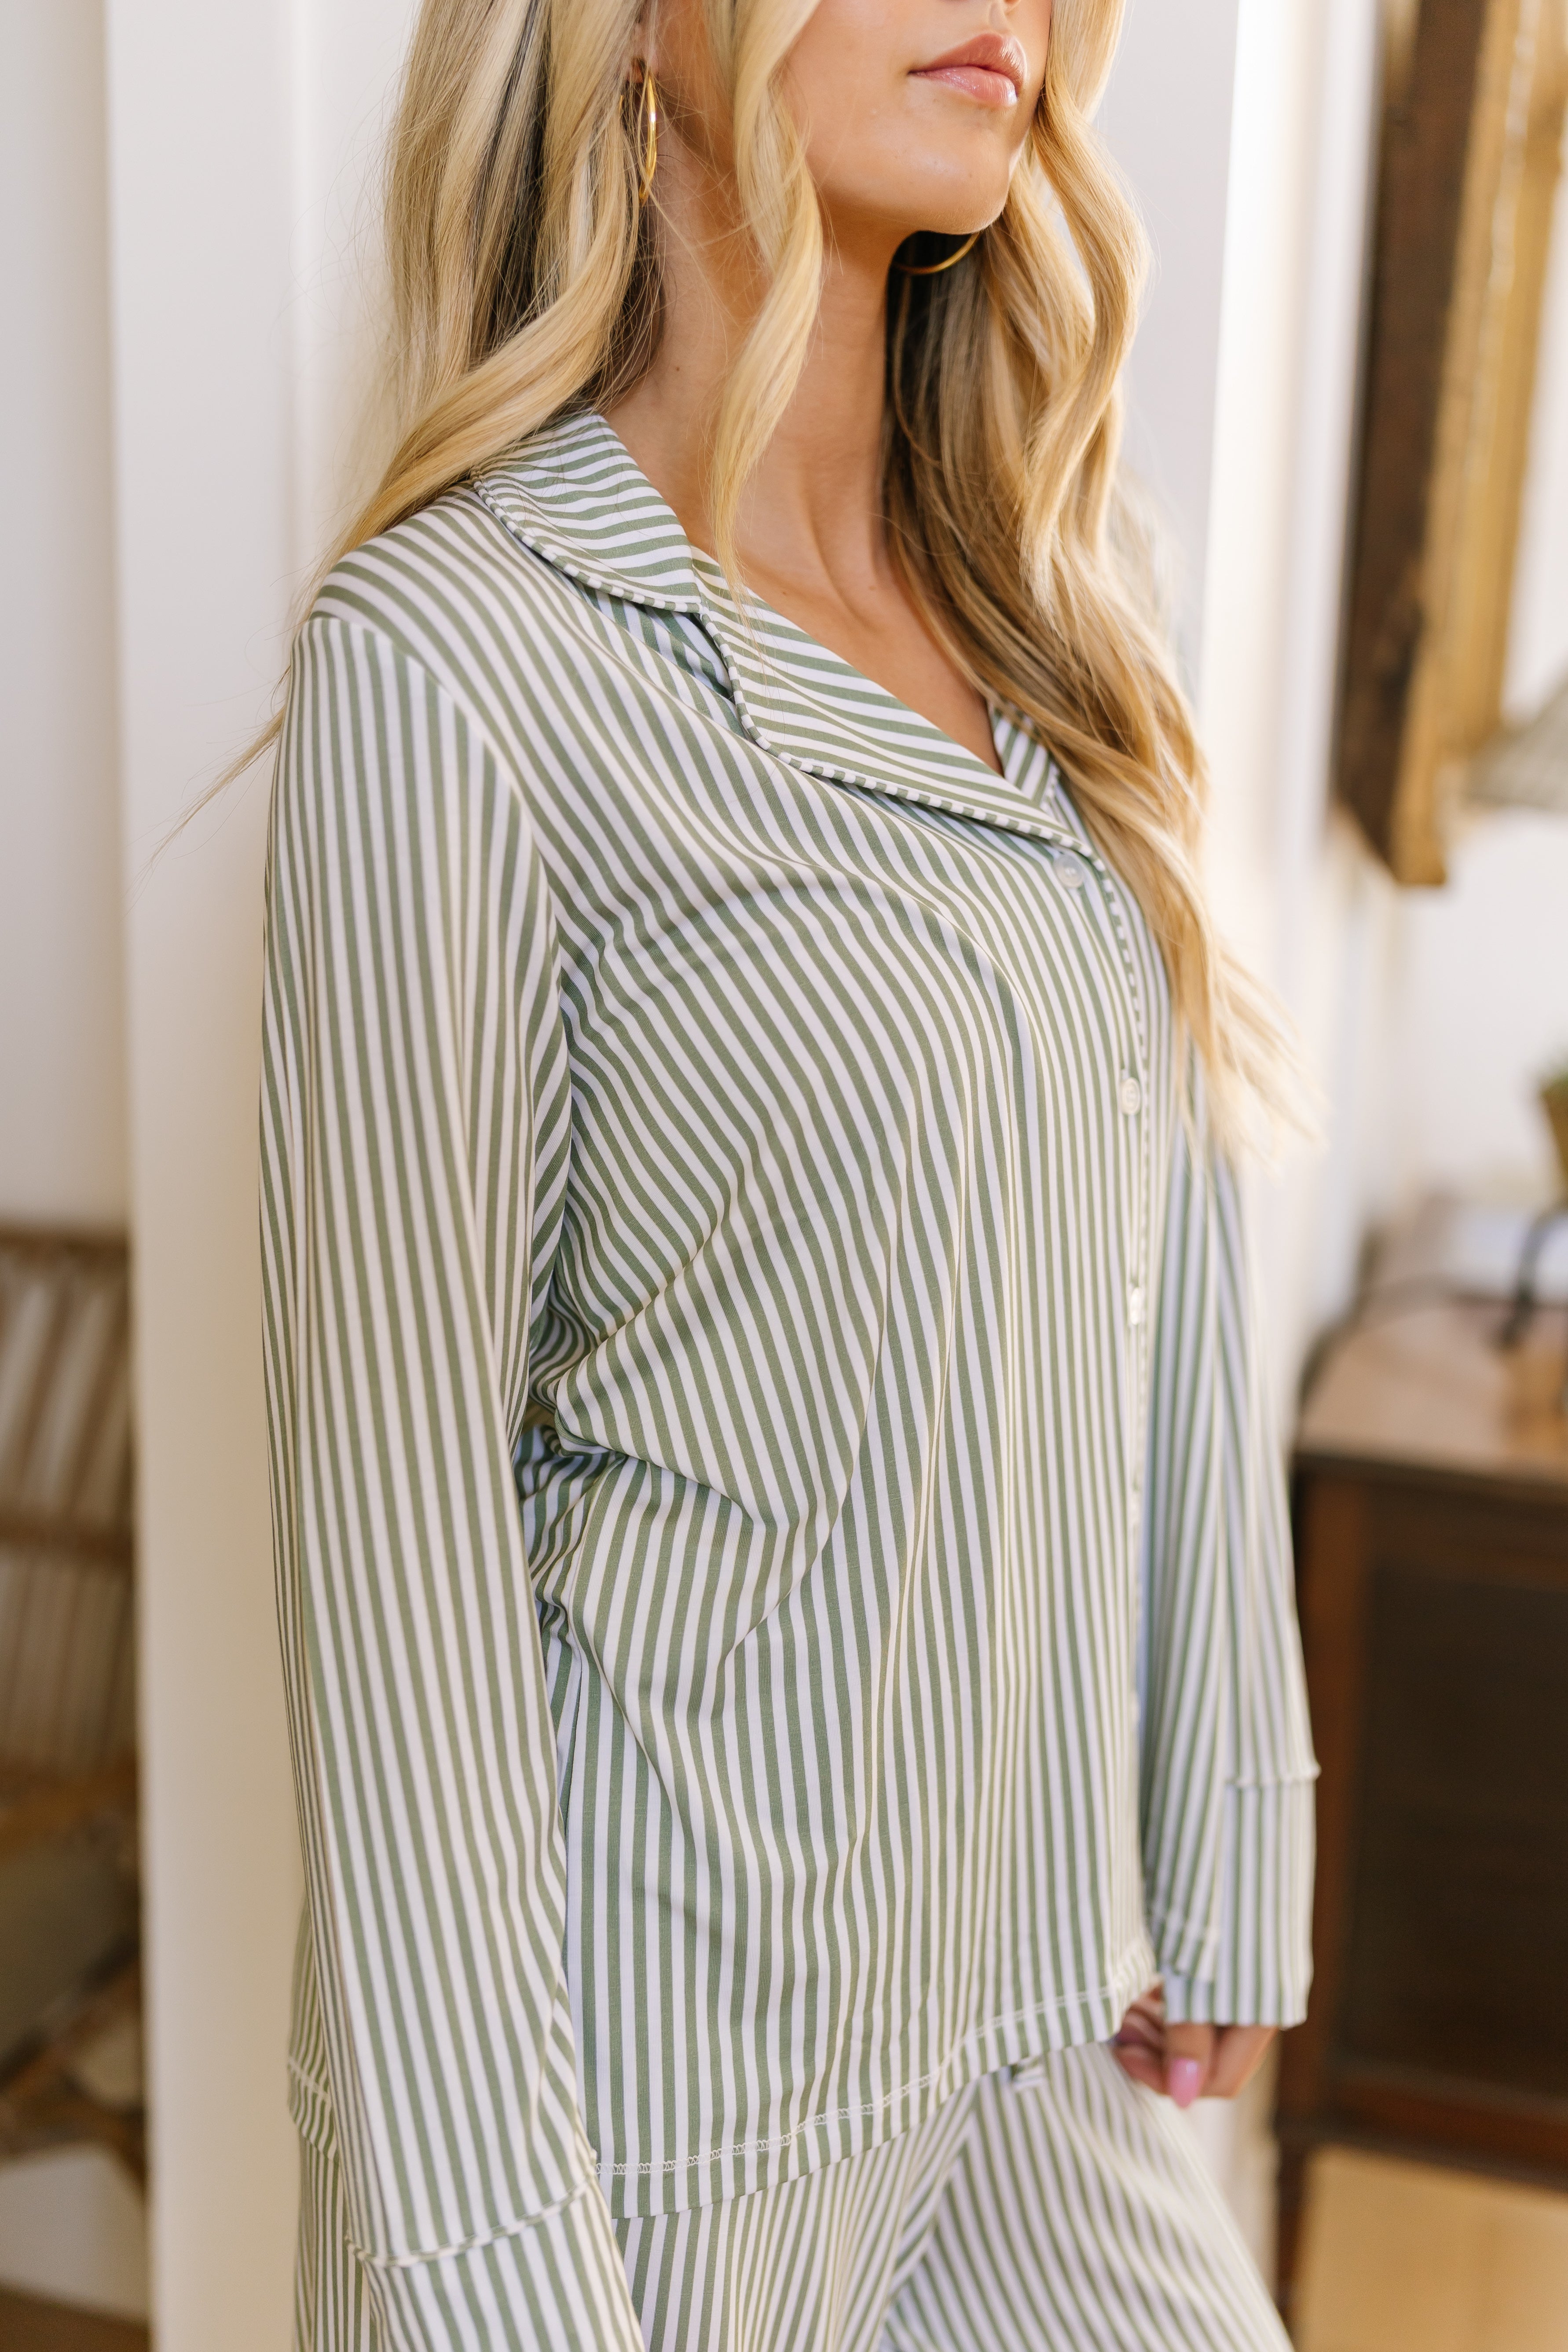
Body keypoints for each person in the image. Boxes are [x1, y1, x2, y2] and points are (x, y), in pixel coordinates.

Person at [259, 2, 1318, 2346]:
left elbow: (1179, 1205)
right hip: (659, 2090)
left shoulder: (1054, 596)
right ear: (633, 28)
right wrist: (496, 2275)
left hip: (1031, 2014)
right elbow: (395, 1571)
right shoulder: (454, 668)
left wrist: (1230, 1803)